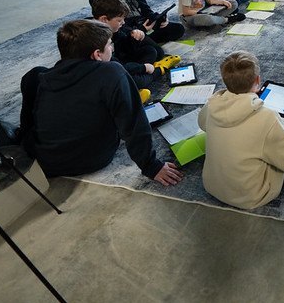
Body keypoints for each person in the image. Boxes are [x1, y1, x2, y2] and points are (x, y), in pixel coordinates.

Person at [18, 19, 183, 186]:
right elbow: (134, 124)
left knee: (35, 74)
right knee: (122, 103)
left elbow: (28, 117)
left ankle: (16, 140)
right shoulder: (112, 72)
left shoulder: (39, 78)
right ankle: (122, 98)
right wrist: (151, 165)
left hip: (43, 160)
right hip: (92, 158)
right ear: (97, 54)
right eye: (109, 45)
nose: (111, 49)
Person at [199, 51, 284, 209]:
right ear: (257, 80)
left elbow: (202, 124)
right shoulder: (267, 116)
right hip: (251, 196)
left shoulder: (212, 104)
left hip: (212, 185)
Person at [91, 0, 174, 90]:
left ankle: (142, 75)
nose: (123, 23)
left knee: (151, 51)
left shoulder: (113, 28)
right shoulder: (95, 38)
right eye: (119, 20)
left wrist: (133, 38)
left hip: (121, 62)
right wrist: (143, 68)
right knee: (136, 81)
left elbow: (125, 49)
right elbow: (117, 67)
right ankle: (158, 70)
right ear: (104, 19)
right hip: (111, 69)